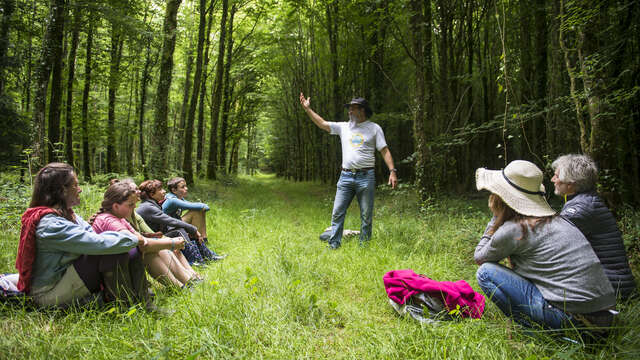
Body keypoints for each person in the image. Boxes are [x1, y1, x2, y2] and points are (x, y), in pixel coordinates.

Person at [474, 160, 616, 331]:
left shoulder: (515, 229)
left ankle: (531, 330)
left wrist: (495, 219)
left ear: (500, 198)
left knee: (486, 272)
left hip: (575, 322)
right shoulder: (558, 221)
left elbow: (480, 257)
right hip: (606, 320)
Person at [15, 163, 155, 310]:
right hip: (49, 292)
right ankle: (125, 305)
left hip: (66, 277)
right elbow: (96, 243)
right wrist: (133, 238)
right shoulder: (50, 224)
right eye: (76, 185)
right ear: (62, 190)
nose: (80, 189)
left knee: (125, 247)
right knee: (115, 249)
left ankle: (141, 299)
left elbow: (92, 235)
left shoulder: (67, 215)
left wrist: (129, 239)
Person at [299, 93, 397, 249]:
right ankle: (334, 245)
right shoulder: (344, 127)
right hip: (345, 177)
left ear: (362, 110)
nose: (349, 111)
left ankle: (364, 247)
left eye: (353, 109)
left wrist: (392, 171)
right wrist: (307, 109)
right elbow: (323, 123)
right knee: (337, 212)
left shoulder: (374, 128)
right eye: (349, 109)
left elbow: (384, 151)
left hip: (366, 176)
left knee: (366, 215)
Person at [551, 154, 637, 300]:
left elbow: (551, 241)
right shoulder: (586, 201)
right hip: (611, 282)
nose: (553, 180)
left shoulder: (581, 208)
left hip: (612, 287)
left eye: (557, 176)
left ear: (571, 183)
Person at [90, 182, 200, 289]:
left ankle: (187, 280)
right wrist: (171, 243)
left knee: (159, 246)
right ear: (115, 206)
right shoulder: (109, 221)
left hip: (121, 263)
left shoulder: (120, 218)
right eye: (130, 205)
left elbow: (140, 238)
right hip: (108, 272)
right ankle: (179, 287)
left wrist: (166, 243)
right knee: (149, 251)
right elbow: (142, 244)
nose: (134, 207)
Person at [136, 180, 221, 265]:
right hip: (151, 239)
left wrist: (191, 230)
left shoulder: (152, 204)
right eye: (160, 189)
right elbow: (169, 220)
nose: (164, 191)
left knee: (184, 230)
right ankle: (195, 260)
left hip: (158, 235)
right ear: (151, 194)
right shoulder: (148, 207)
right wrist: (192, 229)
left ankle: (207, 256)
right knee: (179, 231)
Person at [163, 177, 224, 261]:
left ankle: (203, 243)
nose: (186, 189)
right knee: (196, 211)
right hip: (169, 229)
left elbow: (198, 206)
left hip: (176, 224)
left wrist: (202, 207)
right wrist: (203, 206)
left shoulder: (179, 198)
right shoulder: (172, 200)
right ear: (174, 190)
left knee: (198, 211)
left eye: (186, 186)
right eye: (182, 187)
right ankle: (202, 244)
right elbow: (201, 206)